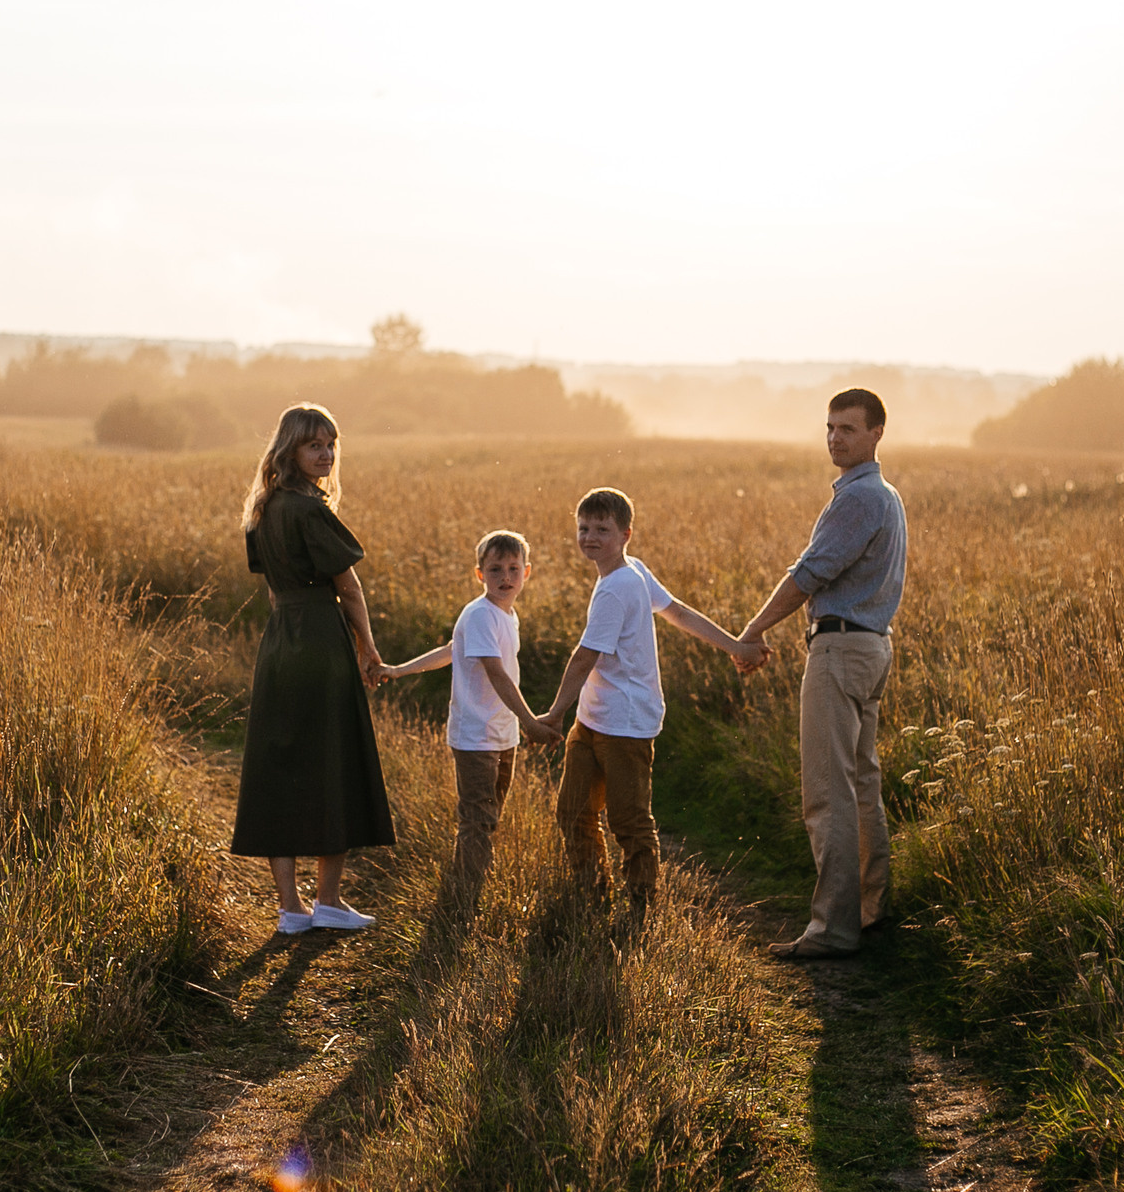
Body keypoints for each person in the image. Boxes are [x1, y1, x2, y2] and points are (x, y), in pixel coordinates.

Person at [736, 388, 908, 960]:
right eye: (830, 427)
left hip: (840, 650)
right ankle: (868, 910)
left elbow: (809, 573)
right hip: (870, 648)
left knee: (828, 793)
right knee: (860, 785)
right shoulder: (885, 496)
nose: (835, 437)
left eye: (849, 429)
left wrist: (753, 630)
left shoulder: (860, 499)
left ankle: (832, 931)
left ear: (877, 433)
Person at [536, 487, 764, 911]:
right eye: (584, 528)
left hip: (625, 724)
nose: (590, 537)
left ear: (626, 534)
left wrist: (552, 714)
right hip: (592, 720)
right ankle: (592, 895)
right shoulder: (629, 572)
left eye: (602, 529)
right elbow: (678, 612)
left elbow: (586, 656)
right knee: (573, 812)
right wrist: (736, 646)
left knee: (629, 821)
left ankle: (642, 905)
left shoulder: (620, 585)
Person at [229, 403, 392, 935]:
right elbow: (348, 587)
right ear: (291, 451)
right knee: (332, 763)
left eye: (330, 443)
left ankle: (290, 910)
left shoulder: (263, 508)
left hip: (281, 642)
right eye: (314, 445)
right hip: (321, 641)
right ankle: (326, 902)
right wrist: (368, 648)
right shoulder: (308, 509)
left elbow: (275, 588)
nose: (325, 454)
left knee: (280, 766)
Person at [378, 529, 562, 896]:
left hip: (502, 733)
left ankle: (469, 885)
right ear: (479, 574)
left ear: (527, 572)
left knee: (489, 816)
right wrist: (531, 722)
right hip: (476, 735)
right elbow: (496, 674)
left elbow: (451, 649)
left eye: (513, 569)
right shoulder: (479, 615)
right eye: (495, 570)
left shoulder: (507, 616)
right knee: (478, 818)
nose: (505, 578)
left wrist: (398, 669)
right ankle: (465, 894)